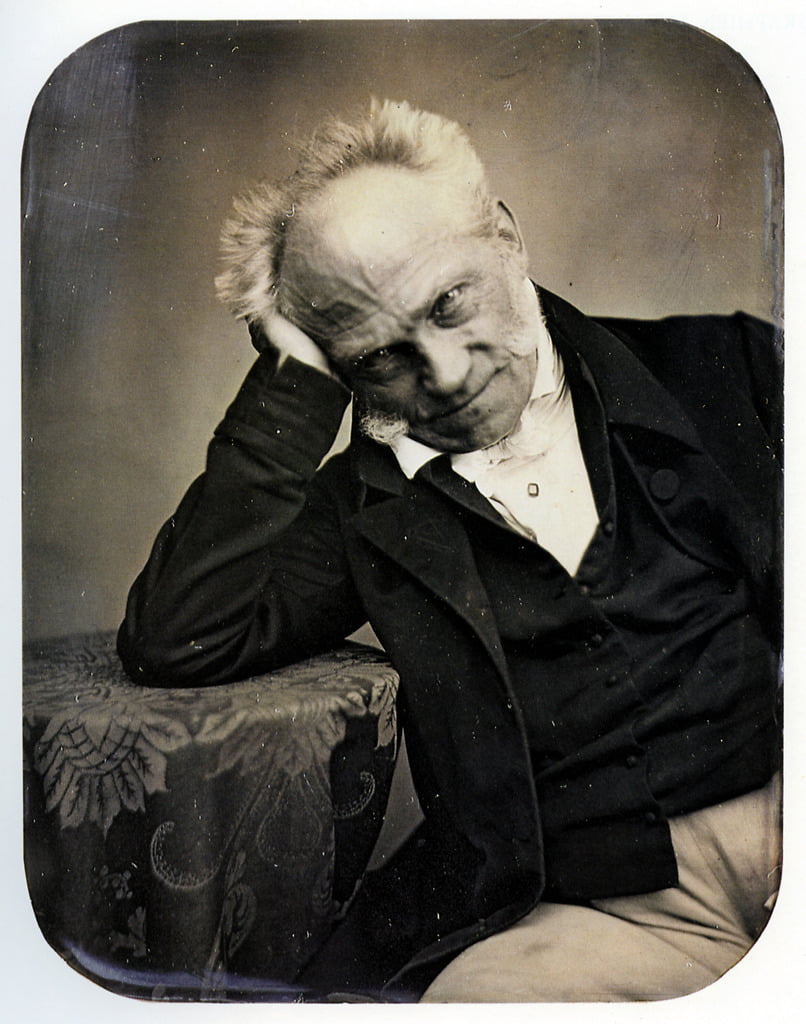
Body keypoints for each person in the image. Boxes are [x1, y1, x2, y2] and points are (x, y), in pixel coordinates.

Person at [118, 99, 783, 1002]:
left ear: (505, 238)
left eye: (447, 304)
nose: (445, 372)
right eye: (377, 357)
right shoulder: (361, 508)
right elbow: (176, 638)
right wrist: (289, 387)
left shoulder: (732, 368)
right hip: (603, 920)